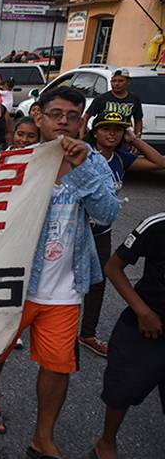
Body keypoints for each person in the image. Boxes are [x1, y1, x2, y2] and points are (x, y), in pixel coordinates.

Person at [0, 86, 119, 459]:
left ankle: (43, 437)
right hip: (14, 283)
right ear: (38, 116)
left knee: (58, 366)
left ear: (82, 121)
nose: (64, 123)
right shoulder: (14, 160)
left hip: (64, 287)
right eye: (56, 114)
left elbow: (106, 216)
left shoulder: (94, 164)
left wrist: (82, 166)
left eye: (73, 116)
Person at [80, 112, 165, 357]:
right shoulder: (83, 153)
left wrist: (134, 139)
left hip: (101, 232)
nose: (112, 133)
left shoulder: (121, 159)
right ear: (95, 131)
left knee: (98, 282)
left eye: (118, 130)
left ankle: (87, 333)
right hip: (74, 229)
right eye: (106, 128)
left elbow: (159, 162)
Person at [89, 212, 165, 459]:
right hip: (148, 327)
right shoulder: (157, 225)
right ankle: (106, 442)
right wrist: (143, 312)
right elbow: (113, 267)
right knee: (122, 389)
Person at [82, 69, 143, 139]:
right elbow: (86, 117)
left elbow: (138, 120)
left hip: (123, 138)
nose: (117, 84)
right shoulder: (101, 98)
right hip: (102, 138)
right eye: (114, 81)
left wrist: (137, 138)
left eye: (120, 81)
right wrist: (82, 137)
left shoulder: (134, 99)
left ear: (128, 82)